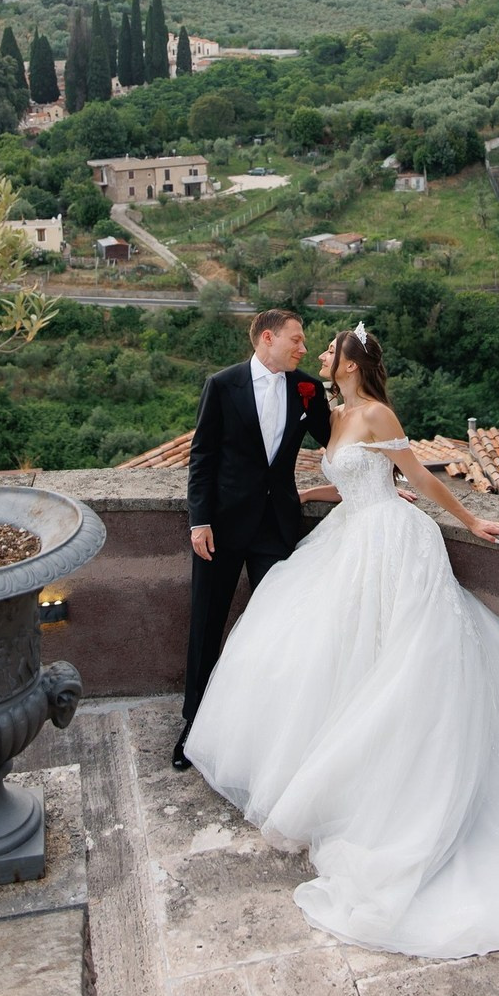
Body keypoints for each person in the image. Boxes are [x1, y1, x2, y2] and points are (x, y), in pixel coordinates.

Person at [185, 323, 499, 959]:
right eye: (307, 344)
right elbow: (352, 482)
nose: (316, 354)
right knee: (329, 655)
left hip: (392, 544)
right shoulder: (334, 412)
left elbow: (417, 480)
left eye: (328, 349)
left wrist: (472, 518)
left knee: (399, 663)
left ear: (350, 362)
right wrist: (308, 492)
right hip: (349, 537)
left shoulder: (377, 412)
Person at [176, 308, 334, 771]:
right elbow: (201, 458)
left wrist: (382, 477)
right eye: (297, 340)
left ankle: (265, 734)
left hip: (276, 526)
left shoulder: (307, 388)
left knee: (278, 627)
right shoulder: (222, 385)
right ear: (268, 338)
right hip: (220, 529)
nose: (303, 348)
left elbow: (337, 443)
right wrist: (199, 520)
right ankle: (192, 727)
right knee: (207, 624)